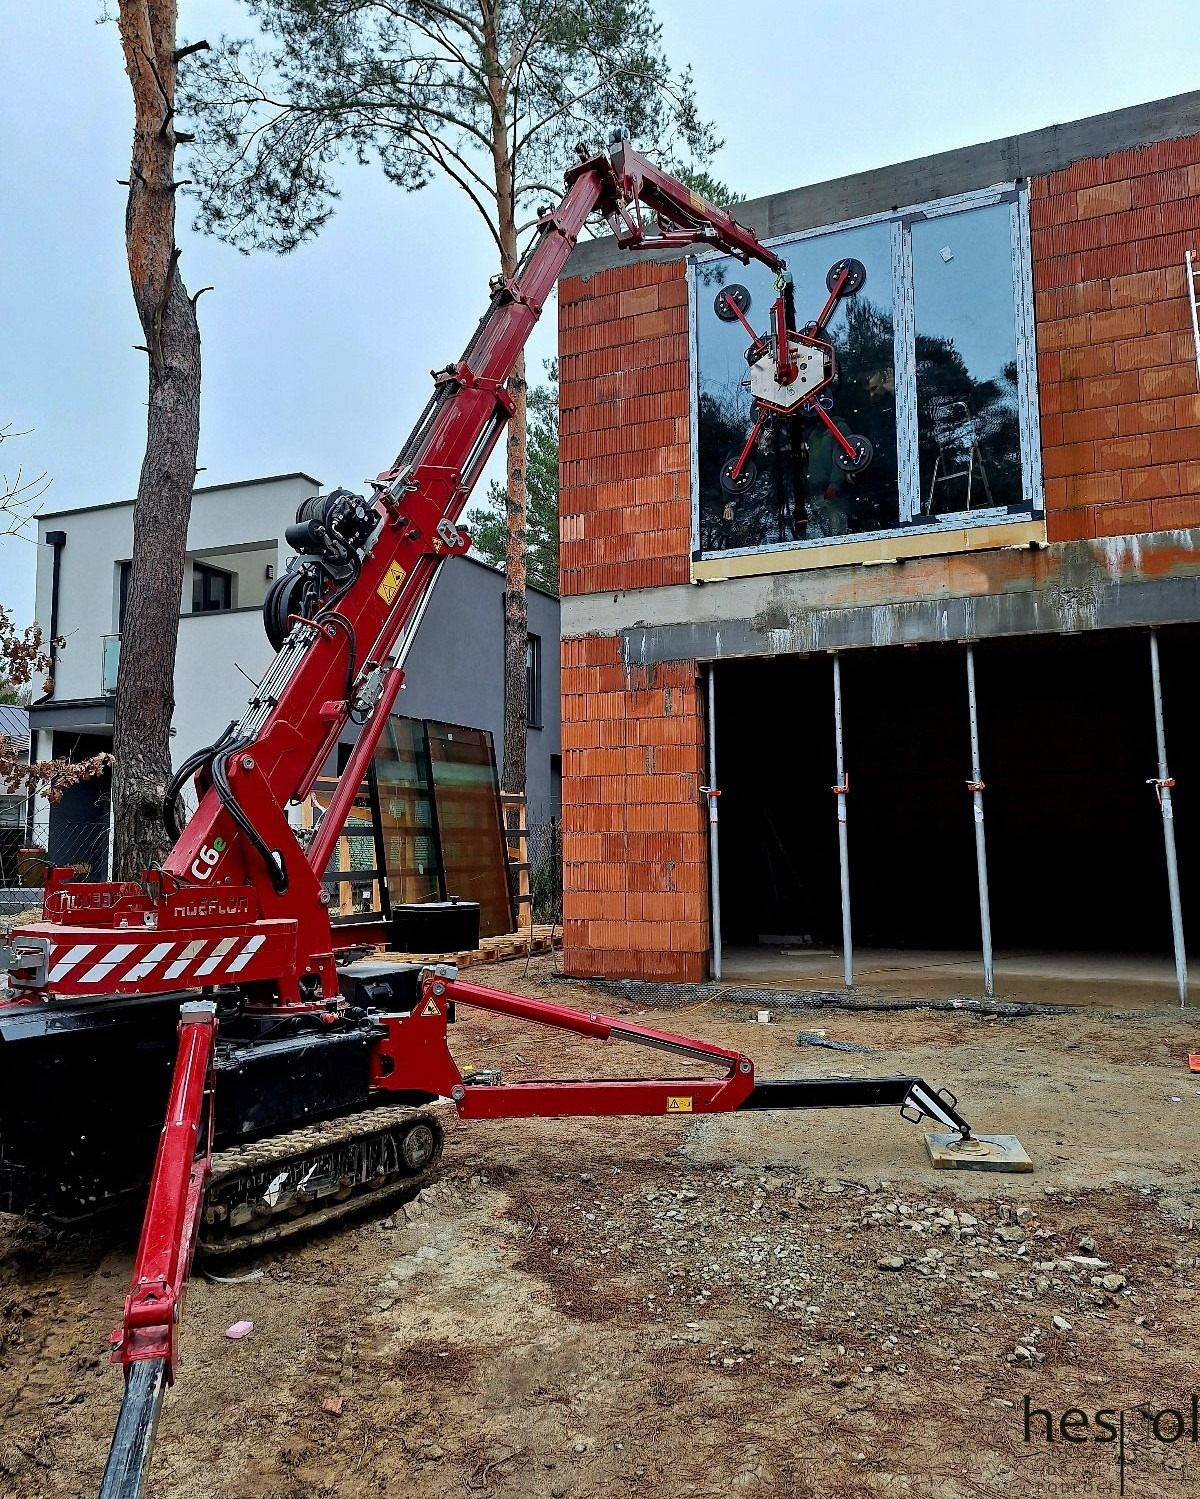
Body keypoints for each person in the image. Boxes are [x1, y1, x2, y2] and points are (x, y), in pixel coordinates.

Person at [803, 410, 853, 538]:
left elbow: (843, 458)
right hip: (817, 492)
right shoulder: (814, 434)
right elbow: (812, 461)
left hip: (834, 491)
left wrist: (834, 484)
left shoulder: (840, 428)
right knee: (826, 530)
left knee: (838, 529)